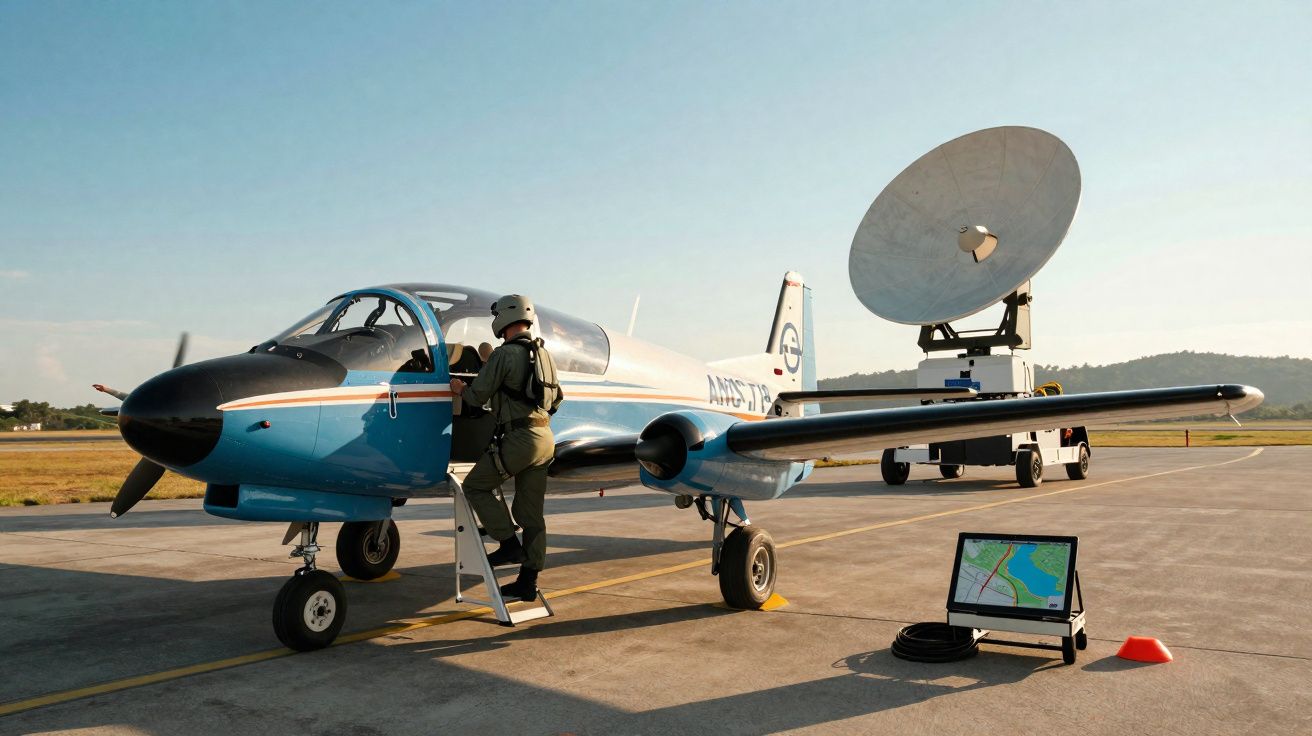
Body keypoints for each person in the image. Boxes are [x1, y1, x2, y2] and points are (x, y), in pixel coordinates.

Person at [449, 295, 563, 601]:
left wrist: (461, 388)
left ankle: (509, 545)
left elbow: (477, 396)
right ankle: (528, 582)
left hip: (520, 440)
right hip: (544, 439)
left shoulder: (504, 354)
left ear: (504, 319)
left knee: (475, 486)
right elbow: (557, 399)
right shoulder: (544, 355)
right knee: (531, 516)